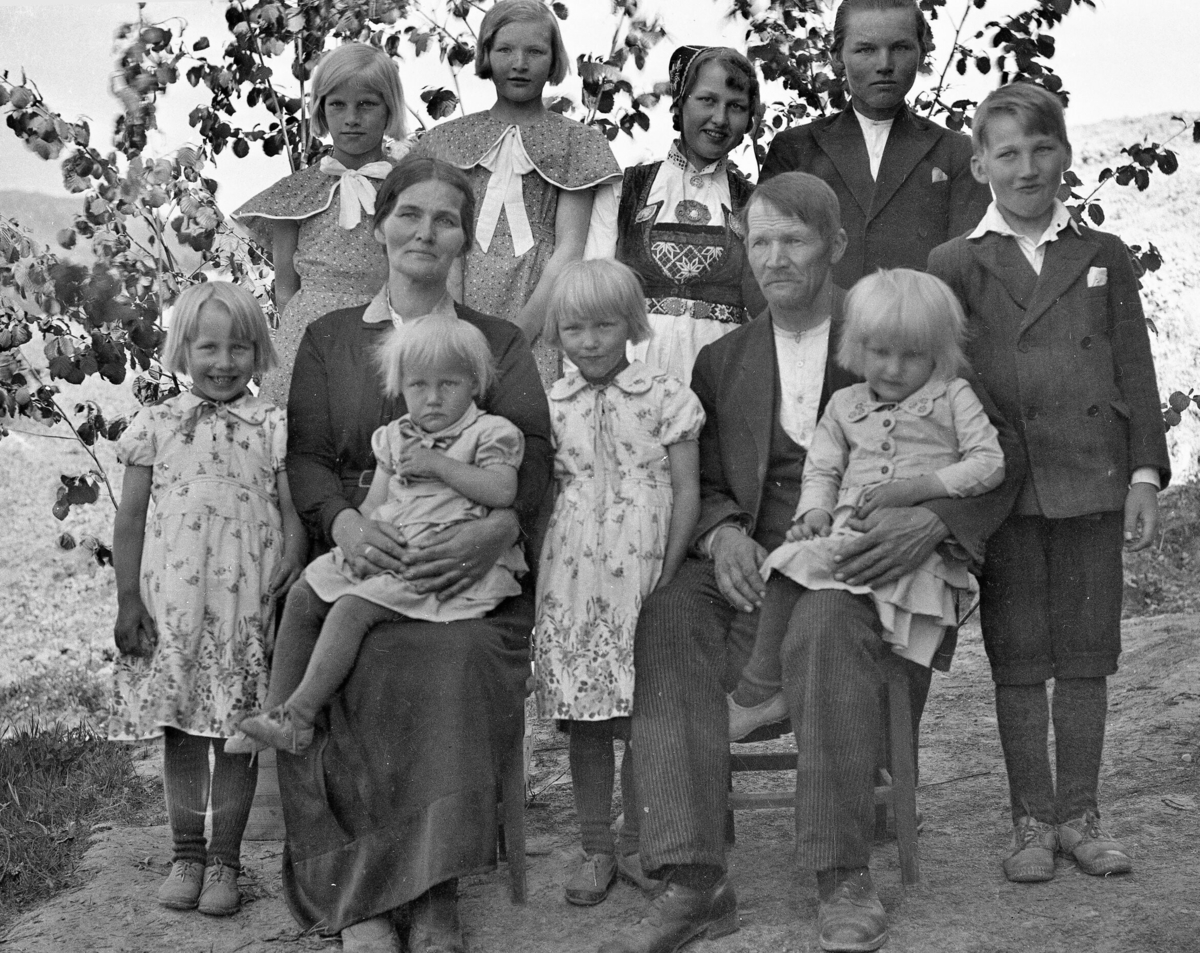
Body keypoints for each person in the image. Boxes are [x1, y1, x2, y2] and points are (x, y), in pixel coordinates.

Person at [602, 172, 1023, 953]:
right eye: (758, 239)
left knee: (828, 618)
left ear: (833, 244)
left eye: (793, 238)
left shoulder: (891, 332)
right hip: (755, 555)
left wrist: (930, 520)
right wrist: (723, 533)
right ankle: (694, 878)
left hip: (859, 559)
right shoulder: (724, 359)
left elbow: (997, 455)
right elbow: (713, 482)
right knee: (667, 613)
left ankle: (842, 875)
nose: (773, 256)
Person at [273, 155, 552, 953]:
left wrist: (498, 531)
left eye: (446, 219)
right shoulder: (330, 336)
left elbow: (532, 451)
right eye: (411, 213)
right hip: (363, 546)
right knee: (332, 641)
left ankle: (433, 890)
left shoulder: (495, 339)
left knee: (451, 657)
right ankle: (355, 891)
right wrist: (345, 525)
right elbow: (306, 458)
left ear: (466, 239)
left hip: (463, 565)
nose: (427, 231)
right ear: (381, 222)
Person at [927, 82, 1170, 885]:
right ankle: (1030, 819)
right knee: (1020, 658)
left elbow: (1132, 366)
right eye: (1008, 153)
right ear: (981, 165)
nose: (1027, 168)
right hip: (1008, 490)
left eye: (1042, 149)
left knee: (1088, 655)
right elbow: (947, 385)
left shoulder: (1102, 256)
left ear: (1066, 153)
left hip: (1093, 485)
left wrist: (1141, 473)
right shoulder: (955, 263)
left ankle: (1081, 815)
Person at [728, 268, 1005, 740]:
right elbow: (822, 470)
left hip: (915, 559)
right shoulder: (844, 405)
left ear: (938, 355)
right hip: (848, 541)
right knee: (785, 564)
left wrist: (918, 489)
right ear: (857, 347)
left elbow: (989, 463)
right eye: (879, 352)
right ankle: (761, 689)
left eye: (912, 356)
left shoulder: (952, 396)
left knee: (827, 607)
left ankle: (771, 698)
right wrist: (813, 513)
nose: (893, 370)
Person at [107, 282, 306, 917]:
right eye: (208, 347)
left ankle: (226, 859)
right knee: (184, 733)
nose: (223, 362)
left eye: (239, 348)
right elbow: (131, 521)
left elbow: (292, 511)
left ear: (259, 352)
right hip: (177, 612)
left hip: (246, 606)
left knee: (237, 733)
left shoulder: (272, 425)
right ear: (181, 349)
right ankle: (186, 854)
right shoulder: (157, 425)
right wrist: (128, 600)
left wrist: (295, 556)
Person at [238, 316, 526, 754]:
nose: (431, 399)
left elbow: (504, 491)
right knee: (303, 594)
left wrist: (440, 465)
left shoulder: (490, 434)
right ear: (400, 386)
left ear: (474, 383)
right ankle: (273, 713)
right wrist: (360, 542)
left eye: (448, 384)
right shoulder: (396, 437)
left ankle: (299, 718)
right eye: (418, 386)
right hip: (393, 549)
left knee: (350, 609)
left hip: (438, 560)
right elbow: (374, 504)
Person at [535, 259, 704, 905]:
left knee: (641, 711)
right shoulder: (552, 403)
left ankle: (639, 840)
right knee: (587, 718)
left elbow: (686, 488)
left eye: (603, 324)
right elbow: (548, 493)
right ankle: (594, 847)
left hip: (642, 566)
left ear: (630, 324)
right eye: (574, 327)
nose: (589, 339)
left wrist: (670, 565)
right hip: (575, 572)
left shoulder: (665, 394)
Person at [412, 0, 621, 385]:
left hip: (541, 304)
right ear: (487, 55)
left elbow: (570, 247)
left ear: (554, 58)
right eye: (506, 49)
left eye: (535, 51)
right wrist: (454, 322)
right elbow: (441, 238)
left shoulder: (577, 143)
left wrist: (519, 334)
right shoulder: (448, 140)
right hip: (455, 296)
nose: (520, 63)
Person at [756, 0, 990, 291]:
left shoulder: (956, 152)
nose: (885, 65)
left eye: (901, 48)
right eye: (866, 49)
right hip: (818, 331)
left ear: (922, 52)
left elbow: (972, 273)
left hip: (924, 330)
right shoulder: (795, 149)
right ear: (836, 56)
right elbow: (761, 266)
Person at [234, 42, 409, 405]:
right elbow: (285, 288)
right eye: (337, 104)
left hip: (386, 331)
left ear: (389, 107)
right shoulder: (296, 193)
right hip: (309, 338)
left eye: (366, 104)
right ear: (320, 110)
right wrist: (300, 340)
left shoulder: (409, 187)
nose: (351, 118)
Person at [584, 46, 759, 384]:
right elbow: (591, 300)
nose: (721, 119)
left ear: (749, 118)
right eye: (707, 100)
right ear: (679, 105)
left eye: (735, 106)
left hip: (724, 377)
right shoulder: (623, 191)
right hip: (633, 373)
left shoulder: (754, 204)